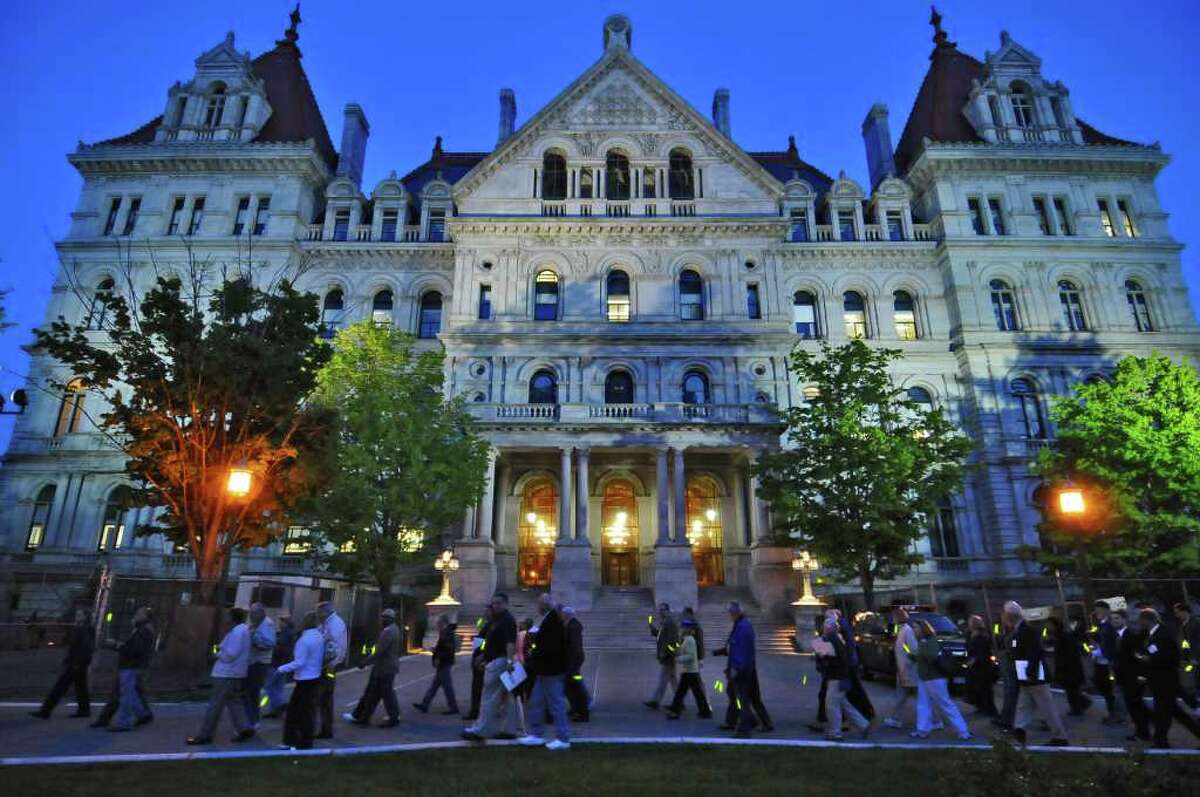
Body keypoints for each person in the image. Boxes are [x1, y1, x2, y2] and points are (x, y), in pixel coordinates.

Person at [1005, 601, 1069, 747]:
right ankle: (1019, 730)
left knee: (1046, 707)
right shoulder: (1019, 631)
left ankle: (1060, 737)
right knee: (1023, 705)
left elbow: (1034, 652)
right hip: (1027, 674)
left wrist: (1030, 671)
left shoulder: (1026, 631)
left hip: (1033, 675)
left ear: (1011, 616)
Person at [187, 606, 254, 745]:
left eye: (228, 616)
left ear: (232, 618)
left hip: (226, 672)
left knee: (215, 704)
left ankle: (205, 734)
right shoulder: (242, 631)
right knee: (235, 701)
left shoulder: (237, 632)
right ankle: (244, 727)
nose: (226, 619)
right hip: (236, 673)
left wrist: (217, 654)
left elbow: (230, 654)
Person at [462, 593, 519, 741]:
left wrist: (509, 662)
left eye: (499, 603)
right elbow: (488, 641)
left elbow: (510, 643)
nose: (495, 606)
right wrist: (482, 655)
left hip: (499, 663)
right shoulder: (495, 621)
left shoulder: (507, 620)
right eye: (493, 603)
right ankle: (508, 729)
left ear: (506, 603)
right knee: (506, 697)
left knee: (489, 697)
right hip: (494, 660)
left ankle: (482, 730)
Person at [519, 594, 572, 750]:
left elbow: (551, 647)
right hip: (544, 670)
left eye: (539, 604)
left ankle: (563, 738)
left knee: (556, 704)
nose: (537, 607)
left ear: (545, 605)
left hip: (552, 670)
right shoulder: (550, 619)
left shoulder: (553, 621)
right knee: (536, 702)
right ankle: (536, 734)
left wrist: (535, 654)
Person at [715, 601, 772, 737]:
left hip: (742, 669)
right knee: (743, 695)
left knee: (741, 698)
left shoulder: (743, 626)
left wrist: (735, 668)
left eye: (730, 613)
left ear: (735, 613)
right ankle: (760, 722)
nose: (729, 615)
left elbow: (741, 649)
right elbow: (735, 647)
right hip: (748, 667)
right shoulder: (742, 624)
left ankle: (745, 727)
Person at [97, 606, 156, 732]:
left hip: (131, 666)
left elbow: (135, 650)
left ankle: (124, 722)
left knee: (127, 695)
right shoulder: (142, 629)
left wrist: (118, 645)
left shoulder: (143, 630)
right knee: (131, 693)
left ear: (146, 616)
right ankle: (142, 714)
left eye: (140, 613)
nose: (136, 614)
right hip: (133, 665)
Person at [910, 619, 971, 740]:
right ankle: (922, 730)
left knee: (945, 703)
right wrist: (914, 656)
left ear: (923, 629)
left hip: (934, 678)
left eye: (916, 628)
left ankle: (963, 730)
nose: (914, 630)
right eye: (914, 628)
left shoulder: (929, 642)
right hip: (925, 678)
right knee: (923, 704)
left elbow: (932, 657)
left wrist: (920, 653)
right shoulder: (925, 642)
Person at [31, 609, 94, 719]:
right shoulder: (83, 629)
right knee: (80, 687)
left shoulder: (84, 629)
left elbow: (84, 648)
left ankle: (45, 711)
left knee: (60, 687)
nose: (77, 617)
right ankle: (84, 709)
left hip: (76, 663)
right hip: (78, 662)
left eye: (79, 615)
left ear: (85, 617)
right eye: (77, 614)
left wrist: (75, 662)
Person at [814, 616, 870, 741]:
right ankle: (863, 725)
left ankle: (835, 733)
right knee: (844, 705)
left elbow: (834, 659)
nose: (824, 628)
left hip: (836, 678)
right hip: (839, 677)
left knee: (832, 706)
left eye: (826, 626)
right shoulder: (836, 640)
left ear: (831, 628)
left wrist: (823, 659)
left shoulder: (833, 641)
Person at [346, 608, 402, 727]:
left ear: (389, 619)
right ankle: (364, 717)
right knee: (374, 694)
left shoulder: (388, 632)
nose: (382, 619)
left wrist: (365, 662)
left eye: (384, 617)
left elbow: (379, 651)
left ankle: (393, 718)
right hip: (386, 667)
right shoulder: (395, 629)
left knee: (385, 694)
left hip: (384, 668)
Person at [278, 611, 324, 750]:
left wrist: (281, 669)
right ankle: (305, 740)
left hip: (303, 679)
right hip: (314, 677)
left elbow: (299, 662)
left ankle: (291, 740)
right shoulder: (319, 637)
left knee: (294, 713)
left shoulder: (304, 640)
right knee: (307, 712)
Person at [1137, 607, 1179, 747]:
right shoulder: (1151, 634)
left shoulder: (1164, 634)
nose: (1139, 623)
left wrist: (1150, 660)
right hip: (1158, 681)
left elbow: (1172, 657)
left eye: (1141, 620)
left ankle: (1161, 741)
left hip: (1166, 680)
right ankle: (1160, 740)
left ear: (1147, 620)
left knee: (1164, 712)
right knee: (1167, 711)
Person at [1114, 609, 1151, 743]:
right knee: (1134, 705)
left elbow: (1138, 655)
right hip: (1125, 676)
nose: (1115, 621)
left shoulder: (1132, 635)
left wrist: (1141, 675)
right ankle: (1142, 731)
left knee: (1135, 706)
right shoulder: (1122, 635)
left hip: (1133, 677)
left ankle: (1143, 733)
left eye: (1117, 618)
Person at [414, 614, 460, 715]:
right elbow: (445, 647)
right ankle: (425, 704)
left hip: (444, 662)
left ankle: (453, 707)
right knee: (435, 685)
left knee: (446, 686)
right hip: (444, 661)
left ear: (443, 622)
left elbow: (447, 648)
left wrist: (437, 655)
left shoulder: (446, 633)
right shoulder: (446, 632)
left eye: (439, 621)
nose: (437, 623)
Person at [666, 619, 711, 720]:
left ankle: (675, 711)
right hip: (689, 670)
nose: (681, 629)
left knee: (682, 692)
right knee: (694, 692)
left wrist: (679, 659)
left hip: (690, 670)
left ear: (687, 628)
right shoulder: (687, 639)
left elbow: (690, 656)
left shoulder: (689, 640)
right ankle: (705, 712)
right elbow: (684, 651)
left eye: (683, 627)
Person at [316, 600, 348, 740]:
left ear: (325, 611)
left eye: (319, 611)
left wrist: (329, 664)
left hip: (328, 666)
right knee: (325, 698)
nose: (318, 614)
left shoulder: (334, 624)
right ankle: (325, 728)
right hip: (328, 665)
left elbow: (333, 647)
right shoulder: (330, 622)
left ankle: (326, 729)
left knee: (324, 697)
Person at [883, 608, 920, 728]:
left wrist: (908, 657)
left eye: (894, 617)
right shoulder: (902, 630)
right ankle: (895, 718)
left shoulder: (907, 631)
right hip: (904, 669)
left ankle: (934, 720)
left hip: (908, 669)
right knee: (902, 695)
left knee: (920, 696)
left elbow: (912, 648)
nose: (892, 620)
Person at [1089, 601, 1125, 725]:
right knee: (1104, 687)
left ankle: (1116, 714)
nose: (1096, 613)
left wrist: (1100, 652)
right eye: (1096, 610)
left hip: (1108, 662)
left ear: (1106, 610)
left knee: (1110, 689)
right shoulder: (1102, 624)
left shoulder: (1109, 625)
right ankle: (1114, 713)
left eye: (1099, 610)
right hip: (1103, 661)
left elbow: (1112, 644)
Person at [1047, 616, 1091, 716]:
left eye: (1049, 625)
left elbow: (1067, 653)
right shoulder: (1062, 635)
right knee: (1072, 690)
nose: (1048, 627)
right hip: (1069, 667)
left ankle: (1077, 708)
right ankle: (1081, 704)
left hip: (1068, 668)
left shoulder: (1062, 636)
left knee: (1071, 690)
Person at [243, 603, 275, 728]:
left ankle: (253, 720)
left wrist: (255, 639)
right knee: (249, 692)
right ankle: (250, 718)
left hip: (259, 663)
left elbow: (269, 643)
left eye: (253, 613)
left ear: (261, 613)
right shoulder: (256, 624)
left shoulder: (267, 625)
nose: (251, 615)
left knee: (252, 692)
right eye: (250, 612)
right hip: (253, 661)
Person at [644, 603, 679, 710]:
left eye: (663, 610)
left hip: (668, 656)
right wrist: (651, 627)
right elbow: (661, 636)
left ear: (668, 610)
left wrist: (668, 652)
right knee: (672, 680)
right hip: (668, 655)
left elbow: (672, 640)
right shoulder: (664, 623)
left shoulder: (669, 623)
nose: (660, 612)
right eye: (659, 610)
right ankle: (679, 701)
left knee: (664, 680)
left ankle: (655, 701)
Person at [964, 615, 998, 717]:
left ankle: (989, 709)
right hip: (975, 665)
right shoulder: (971, 635)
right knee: (977, 688)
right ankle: (980, 706)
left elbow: (983, 651)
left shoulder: (982, 636)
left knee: (985, 688)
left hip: (982, 666)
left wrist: (975, 659)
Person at [262, 614, 295, 718]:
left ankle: (277, 706)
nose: (280, 623)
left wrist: (272, 646)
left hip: (276, 664)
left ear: (285, 623)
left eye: (282, 621)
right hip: (284, 664)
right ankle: (276, 709)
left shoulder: (284, 635)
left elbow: (280, 648)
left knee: (269, 686)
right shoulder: (290, 634)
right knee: (278, 688)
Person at [464, 609, 493, 722]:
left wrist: (481, 652)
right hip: (480, 655)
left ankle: (475, 711)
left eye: (487, 611)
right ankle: (476, 710)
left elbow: (485, 642)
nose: (485, 613)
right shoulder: (485, 623)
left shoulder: (490, 626)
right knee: (479, 687)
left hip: (481, 659)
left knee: (478, 687)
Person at [562, 606, 589, 722]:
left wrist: (574, 664)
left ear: (567, 615)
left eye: (563, 615)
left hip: (573, 662)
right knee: (570, 687)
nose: (561, 617)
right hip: (572, 661)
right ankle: (576, 708)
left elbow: (575, 645)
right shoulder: (571, 625)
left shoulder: (574, 626)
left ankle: (582, 711)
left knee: (575, 687)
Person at [1174, 602, 1200, 711]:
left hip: (1195, 660)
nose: (1176, 615)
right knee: (1189, 683)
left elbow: (1197, 642)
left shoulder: (1196, 623)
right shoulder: (1183, 625)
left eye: (1177, 612)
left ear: (1184, 611)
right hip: (1187, 659)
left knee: (1193, 681)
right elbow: (1185, 642)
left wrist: (1195, 657)